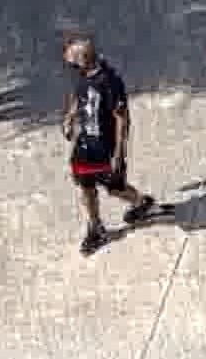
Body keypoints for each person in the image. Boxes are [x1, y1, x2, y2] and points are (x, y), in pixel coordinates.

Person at [62, 31, 162, 255]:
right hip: (84, 144)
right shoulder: (83, 74)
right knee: (85, 185)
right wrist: (69, 118)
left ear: (82, 59)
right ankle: (96, 227)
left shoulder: (110, 82)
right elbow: (79, 96)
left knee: (114, 187)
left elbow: (122, 118)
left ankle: (141, 202)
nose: (70, 66)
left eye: (71, 61)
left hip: (103, 147)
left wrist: (119, 153)